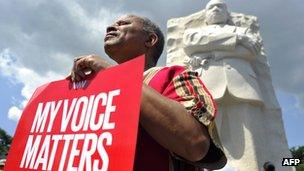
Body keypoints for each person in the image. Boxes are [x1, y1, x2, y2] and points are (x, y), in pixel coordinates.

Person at [70, 14, 226, 170]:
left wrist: (112, 72)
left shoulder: (173, 75)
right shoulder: (97, 90)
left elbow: (195, 144)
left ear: (150, 40)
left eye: (123, 23)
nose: (109, 27)